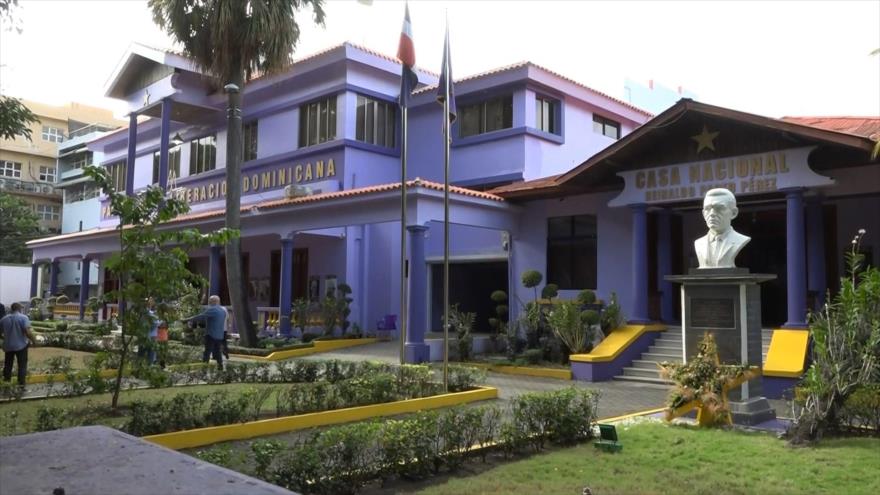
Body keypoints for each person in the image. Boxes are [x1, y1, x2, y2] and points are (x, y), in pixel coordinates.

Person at [694, 188, 751, 268]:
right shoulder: (699, 243)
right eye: (707, 209)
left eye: (719, 208)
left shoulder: (741, 240)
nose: (712, 214)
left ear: (734, 213)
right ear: (703, 214)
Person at [185, 295, 227, 369]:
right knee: (218, 352)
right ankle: (220, 367)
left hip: (211, 334)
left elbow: (201, 317)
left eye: (210, 301)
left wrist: (187, 319)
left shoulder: (212, 309)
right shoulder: (223, 311)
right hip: (220, 335)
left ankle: (204, 367)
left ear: (213, 301)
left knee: (207, 352)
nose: (209, 302)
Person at [0, 302, 37, 385]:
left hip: (8, 346)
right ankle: (21, 384)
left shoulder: (4, 319)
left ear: (11, 309)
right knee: (22, 365)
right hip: (21, 346)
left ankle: (6, 383)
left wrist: (5, 338)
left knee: (8, 365)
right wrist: (34, 341)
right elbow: (27, 332)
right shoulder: (24, 318)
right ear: (19, 308)